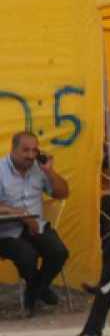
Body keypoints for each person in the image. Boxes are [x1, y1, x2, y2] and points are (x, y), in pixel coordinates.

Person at [0, 131, 70, 316]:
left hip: (37, 226)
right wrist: (19, 214)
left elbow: (63, 193)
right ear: (13, 150)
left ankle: (34, 291)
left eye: (34, 150)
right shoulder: (0, 169)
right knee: (27, 255)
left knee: (59, 252)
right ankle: (40, 291)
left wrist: (50, 171)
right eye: (25, 150)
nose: (31, 155)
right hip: (6, 232)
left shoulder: (39, 169)